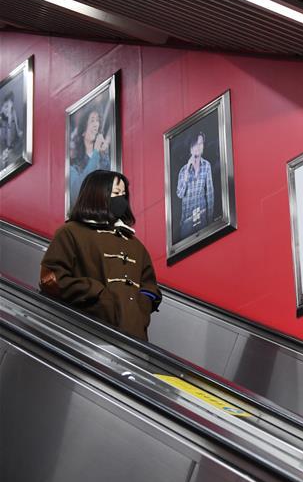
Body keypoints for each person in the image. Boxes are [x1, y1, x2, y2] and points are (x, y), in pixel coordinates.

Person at [40, 170, 161, 341]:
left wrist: (142, 304)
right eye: (116, 193)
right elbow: (50, 278)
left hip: (136, 338)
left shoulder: (134, 244)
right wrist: (96, 293)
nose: (121, 200)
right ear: (96, 194)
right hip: (89, 334)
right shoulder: (70, 233)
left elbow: (149, 284)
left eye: (123, 194)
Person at [175, 131, 214, 240]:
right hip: (187, 220)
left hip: (202, 215)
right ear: (191, 148)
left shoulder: (206, 165)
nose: (198, 147)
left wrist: (210, 218)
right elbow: (180, 194)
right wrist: (187, 171)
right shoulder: (183, 170)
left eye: (200, 143)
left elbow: (210, 193)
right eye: (195, 144)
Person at [68, 108, 111, 202]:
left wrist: (104, 154)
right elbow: (77, 191)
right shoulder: (74, 167)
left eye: (97, 120)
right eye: (92, 120)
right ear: (83, 131)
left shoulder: (105, 158)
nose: (96, 124)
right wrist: (96, 151)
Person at [1, 90, 24, 169]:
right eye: (6, 106)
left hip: (9, 151)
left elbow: (10, 142)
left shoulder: (12, 115)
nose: (8, 110)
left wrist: (11, 119)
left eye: (10, 108)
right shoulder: (1, 118)